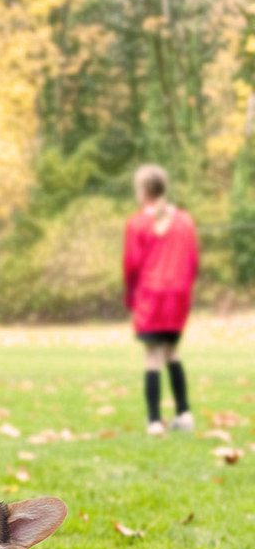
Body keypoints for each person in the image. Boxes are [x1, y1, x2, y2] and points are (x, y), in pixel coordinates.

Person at [123, 163, 198, 437]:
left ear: (143, 191)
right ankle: (184, 413)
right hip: (178, 296)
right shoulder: (185, 221)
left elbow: (131, 265)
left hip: (151, 296)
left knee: (153, 357)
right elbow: (193, 261)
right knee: (172, 353)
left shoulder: (138, 223)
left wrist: (130, 296)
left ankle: (154, 420)